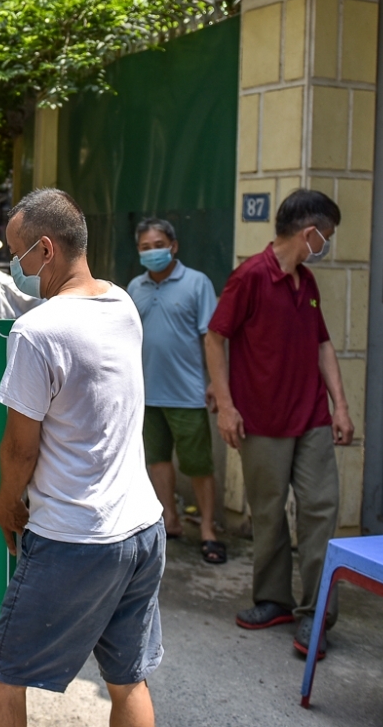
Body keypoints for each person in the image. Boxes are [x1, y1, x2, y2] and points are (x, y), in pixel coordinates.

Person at [0, 189, 165, 727]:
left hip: (75, 539)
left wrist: (6, 504)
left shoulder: (36, 333)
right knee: (128, 681)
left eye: (16, 254)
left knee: (4, 676)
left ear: (44, 249)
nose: (12, 266)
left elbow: (20, 447)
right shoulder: (121, 304)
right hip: (141, 530)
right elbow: (69, 334)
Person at [205, 188, 354, 660]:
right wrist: (226, 406)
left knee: (320, 511)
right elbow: (216, 338)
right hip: (263, 421)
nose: (327, 243)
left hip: (311, 417)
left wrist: (341, 406)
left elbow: (322, 345)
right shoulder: (250, 276)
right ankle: (273, 600)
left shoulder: (305, 283)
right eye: (326, 235)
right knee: (268, 514)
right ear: (310, 233)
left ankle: (317, 613)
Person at [127, 218, 224, 564]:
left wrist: (216, 383)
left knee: (198, 464)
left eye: (159, 245)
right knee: (157, 460)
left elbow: (210, 338)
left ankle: (208, 529)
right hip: (146, 393)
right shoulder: (135, 287)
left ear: (174, 246)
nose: (152, 252)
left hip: (187, 393)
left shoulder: (197, 283)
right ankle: (169, 518)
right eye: (145, 247)